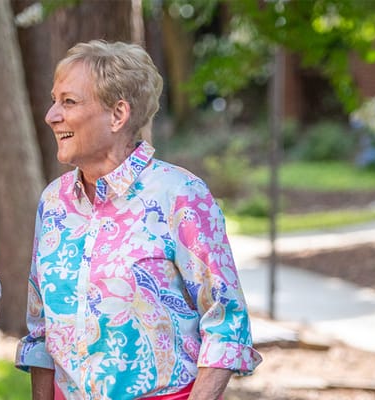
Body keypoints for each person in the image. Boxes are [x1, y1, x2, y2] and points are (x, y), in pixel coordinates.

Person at [16, 40, 262, 400]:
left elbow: (225, 324)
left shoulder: (181, 194)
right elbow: (41, 332)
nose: (51, 115)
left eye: (68, 102)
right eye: (54, 101)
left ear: (118, 114)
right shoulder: (53, 202)